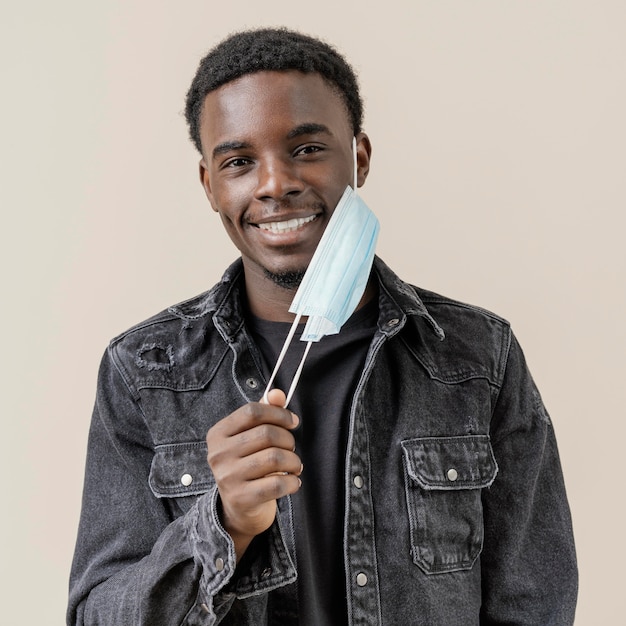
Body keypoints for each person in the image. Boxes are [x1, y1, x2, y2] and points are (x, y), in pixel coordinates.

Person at [67, 27, 578, 625]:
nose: (274, 184)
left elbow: (534, 604)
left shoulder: (477, 359)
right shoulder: (143, 373)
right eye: (238, 162)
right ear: (209, 184)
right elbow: (95, 616)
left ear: (359, 156)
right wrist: (222, 525)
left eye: (307, 149)